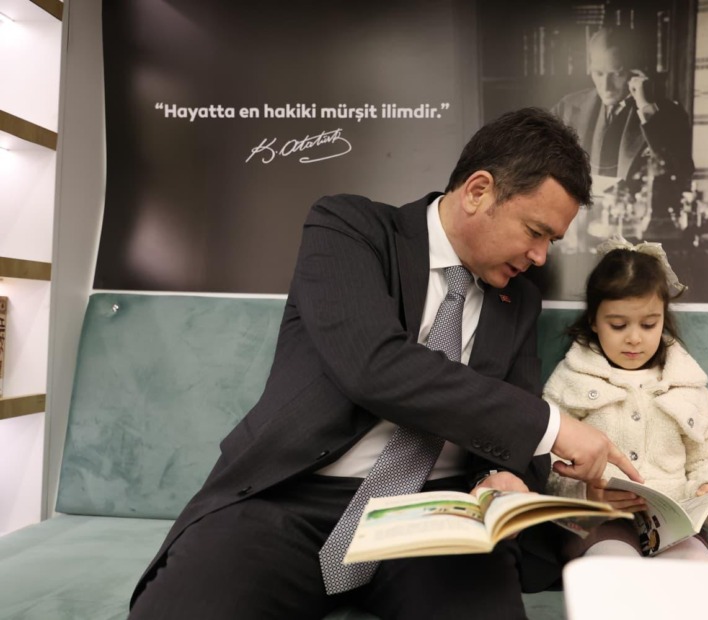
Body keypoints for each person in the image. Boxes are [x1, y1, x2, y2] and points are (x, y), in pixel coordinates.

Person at [128, 107, 643, 620]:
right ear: (478, 191)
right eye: (535, 231)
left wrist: (502, 476)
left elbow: (514, 403)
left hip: (437, 515)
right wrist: (553, 427)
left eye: (551, 241)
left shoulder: (519, 300)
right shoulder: (349, 229)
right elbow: (373, 366)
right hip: (291, 499)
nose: (540, 257)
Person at [544, 236, 708, 561]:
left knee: (696, 569)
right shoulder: (572, 379)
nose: (634, 338)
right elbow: (544, 461)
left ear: (663, 319)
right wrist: (587, 496)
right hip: (600, 521)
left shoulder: (686, 383)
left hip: (675, 522)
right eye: (618, 325)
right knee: (613, 565)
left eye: (649, 324)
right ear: (594, 321)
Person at [552, 27, 695, 247]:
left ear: (636, 72)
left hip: (637, 239)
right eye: (598, 73)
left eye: (617, 74)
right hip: (577, 235)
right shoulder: (568, 107)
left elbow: (680, 172)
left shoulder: (667, 115)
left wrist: (646, 107)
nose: (606, 86)